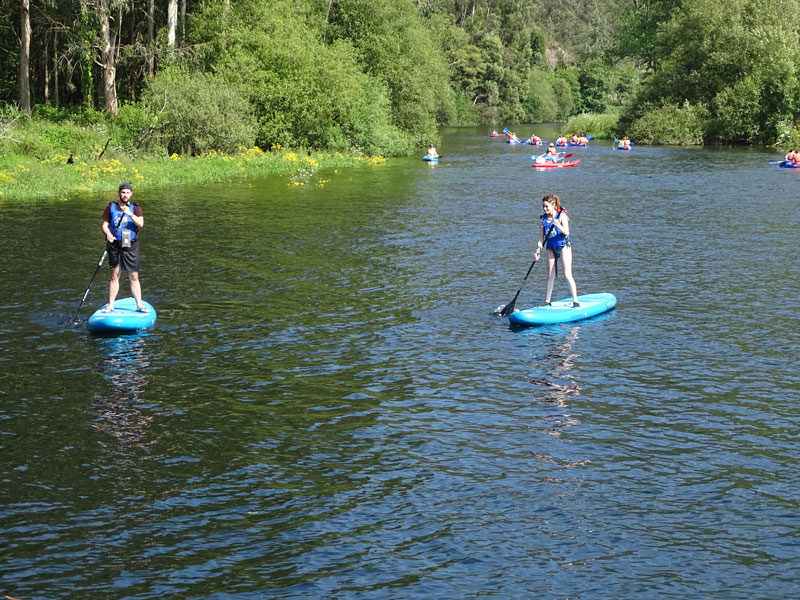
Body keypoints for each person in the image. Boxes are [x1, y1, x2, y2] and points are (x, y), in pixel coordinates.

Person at [101, 182, 148, 313]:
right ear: (119, 193)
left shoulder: (136, 208)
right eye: (123, 192)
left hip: (130, 246)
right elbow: (105, 225)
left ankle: (139, 305)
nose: (125, 195)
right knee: (114, 275)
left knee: (133, 275)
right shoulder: (111, 206)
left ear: (131, 194)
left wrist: (129, 214)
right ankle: (110, 305)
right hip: (115, 245)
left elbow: (141, 223)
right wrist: (108, 234)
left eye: (127, 193)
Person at [534, 194, 579, 307]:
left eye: (547, 206)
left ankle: (575, 300)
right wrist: (538, 251)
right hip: (550, 247)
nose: (545, 209)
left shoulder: (561, 216)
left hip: (563, 246)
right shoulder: (543, 219)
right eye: (543, 206)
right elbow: (541, 239)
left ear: (553, 205)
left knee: (567, 273)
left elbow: (567, 232)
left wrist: (558, 224)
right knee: (550, 275)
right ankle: (547, 301)